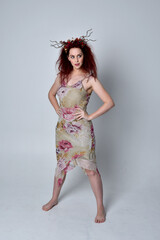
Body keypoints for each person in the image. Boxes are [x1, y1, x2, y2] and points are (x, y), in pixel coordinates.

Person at [42, 29, 115, 223]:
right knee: (61, 166)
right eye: (72, 56)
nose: (76, 60)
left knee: (91, 169)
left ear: (85, 56)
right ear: (67, 57)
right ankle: (54, 199)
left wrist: (89, 115)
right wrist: (58, 109)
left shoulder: (89, 79)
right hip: (63, 130)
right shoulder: (62, 76)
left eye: (79, 56)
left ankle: (100, 206)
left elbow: (109, 102)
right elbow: (51, 94)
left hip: (82, 132)